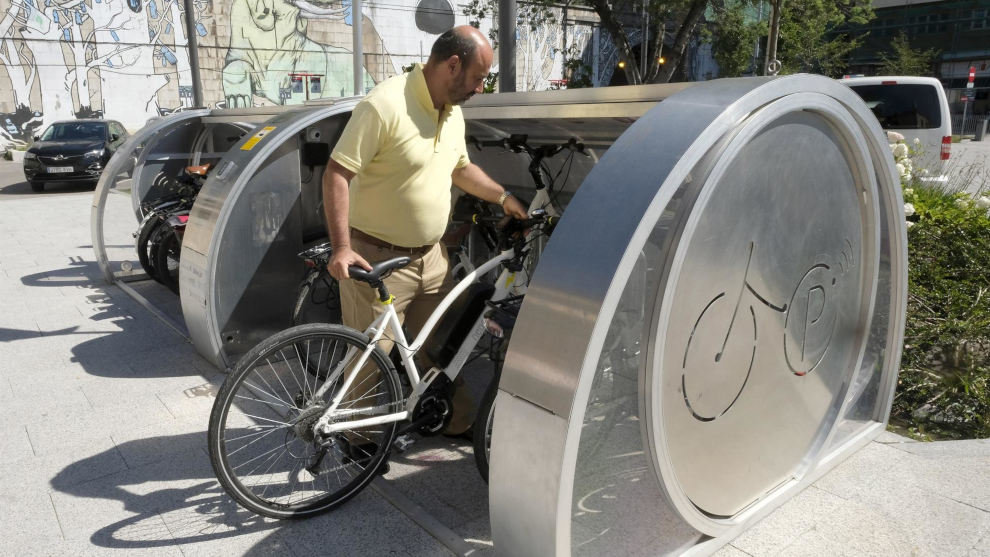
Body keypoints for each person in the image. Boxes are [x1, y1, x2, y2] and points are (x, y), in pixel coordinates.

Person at [322, 26, 528, 443]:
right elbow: (337, 173)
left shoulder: (452, 110)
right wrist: (342, 247)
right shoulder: (384, 105)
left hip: (431, 259)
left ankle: (457, 419)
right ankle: (356, 443)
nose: (480, 87)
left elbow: (460, 168)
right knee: (370, 358)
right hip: (375, 256)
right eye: (478, 76)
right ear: (452, 65)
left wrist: (504, 197)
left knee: (441, 344)